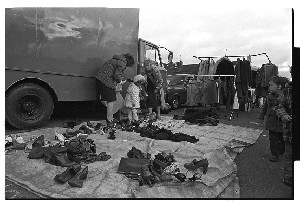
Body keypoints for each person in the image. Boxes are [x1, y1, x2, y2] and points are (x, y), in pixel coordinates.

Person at [95, 53, 134, 127]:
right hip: (106, 80)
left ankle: (109, 117)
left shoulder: (116, 60)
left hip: (99, 78)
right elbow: (117, 75)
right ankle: (110, 119)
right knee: (111, 99)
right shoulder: (122, 63)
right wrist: (120, 81)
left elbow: (115, 72)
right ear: (129, 62)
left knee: (105, 98)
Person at [258, 76, 290, 162]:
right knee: (273, 139)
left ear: (279, 87)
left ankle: (281, 150)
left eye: (271, 85)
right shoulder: (269, 96)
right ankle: (274, 154)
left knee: (282, 139)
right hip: (271, 123)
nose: (269, 87)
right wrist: (261, 117)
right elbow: (265, 108)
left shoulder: (286, 97)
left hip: (282, 124)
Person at [274, 81, 293, 186]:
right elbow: (279, 105)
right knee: (289, 155)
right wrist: (283, 115)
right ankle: (288, 177)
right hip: (290, 131)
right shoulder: (287, 91)